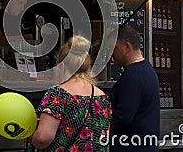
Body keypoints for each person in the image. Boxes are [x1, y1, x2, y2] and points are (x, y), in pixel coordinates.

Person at [30, 35, 111, 151]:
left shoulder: (57, 94)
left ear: (62, 66)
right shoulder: (102, 97)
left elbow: (43, 138)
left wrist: (32, 139)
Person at [109, 24, 160, 152]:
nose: (111, 54)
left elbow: (122, 117)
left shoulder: (134, 74)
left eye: (114, 48)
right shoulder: (147, 69)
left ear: (127, 47)